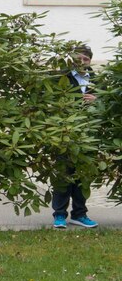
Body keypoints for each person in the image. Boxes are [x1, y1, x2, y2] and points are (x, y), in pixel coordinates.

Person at [51, 44, 99, 229]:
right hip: (64, 134)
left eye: (85, 59)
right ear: (72, 60)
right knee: (63, 175)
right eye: (78, 59)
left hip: (88, 134)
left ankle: (79, 214)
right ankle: (60, 215)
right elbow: (52, 101)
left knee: (82, 176)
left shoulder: (96, 79)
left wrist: (97, 99)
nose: (82, 62)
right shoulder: (61, 78)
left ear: (90, 61)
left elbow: (106, 103)